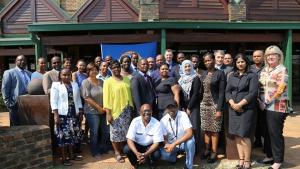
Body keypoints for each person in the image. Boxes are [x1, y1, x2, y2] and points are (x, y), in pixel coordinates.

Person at [226, 53, 258, 169]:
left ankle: (248, 160)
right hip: (233, 109)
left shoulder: (252, 75)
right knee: (237, 135)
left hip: (246, 109)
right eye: (238, 62)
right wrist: (233, 104)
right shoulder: (232, 76)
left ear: (246, 63)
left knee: (244, 135)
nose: (240, 64)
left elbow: (253, 93)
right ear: (235, 63)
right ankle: (241, 159)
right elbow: (227, 91)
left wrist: (240, 104)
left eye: (242, 62)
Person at [259, 45, 288, 169]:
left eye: (273, 54)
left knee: (275, 133)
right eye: (268, 55)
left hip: (277, 106)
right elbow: (260, 86)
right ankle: (270, 156)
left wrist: (266, 102)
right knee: (266, 132)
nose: (270, 56)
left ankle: (278, 161)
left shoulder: (282, 69)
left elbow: (281, 89)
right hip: (263, 105)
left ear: (279, 56)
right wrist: (260, 100)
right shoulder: (265, 69)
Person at [50, 68, 83, 166]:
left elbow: (78, 100)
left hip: (74, 114)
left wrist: (80, 112)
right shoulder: (56, 85)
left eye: (68, 74)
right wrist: (55, 115)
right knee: (63, 137)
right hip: (62, 115)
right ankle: (64, 158)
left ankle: (72, 155)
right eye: (64, 75)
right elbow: (53, 101)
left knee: (72, 135)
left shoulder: (75, 84)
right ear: (60, 75)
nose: (66, 76)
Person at [103, 60, 134, 163]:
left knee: (125, 133)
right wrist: (108, 113)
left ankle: (122, 150)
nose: (116, 69)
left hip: (127, 110)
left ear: (120, 67)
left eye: (117, 67)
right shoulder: (108, 81)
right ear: (110, 69)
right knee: (115, 133)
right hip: (115, 111)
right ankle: (117, 152)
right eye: (114, 67)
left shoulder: (126, 79)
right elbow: (106, 98)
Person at [200, 53, 226, 163]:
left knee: (215, 130)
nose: (207, 62)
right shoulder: (203, 73)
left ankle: (214, 152)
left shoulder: (220, 73)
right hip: (204, 105)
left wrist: (219, 109)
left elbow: (222, 93)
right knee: (206, 129)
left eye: (209, 60)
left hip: (215, 105)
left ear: (214, 60)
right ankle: (207, 150)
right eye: (205, 61)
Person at [81, 63, 109, 157]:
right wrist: (99, 108)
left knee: (105, 131)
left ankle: (104, 149)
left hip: (103, 111)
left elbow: (106, 95)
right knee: (94, 132)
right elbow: (87, 98)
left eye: (95, 69)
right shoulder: (86, 82)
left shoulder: (102, 81)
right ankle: (94, 151)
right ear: (88, 71)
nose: (94, 71)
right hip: (92, 112)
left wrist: (105, 107)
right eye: (91, 70)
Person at [123, 104, 163, 169]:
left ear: (152, 112)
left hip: (150, 146)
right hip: (138, 145)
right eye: (144, 111)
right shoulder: (135, 121)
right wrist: (136, 153)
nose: (147, 113)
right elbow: (129, 139)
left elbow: (156, 143)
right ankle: (134, 163)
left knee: (157, 154)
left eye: (148, 111)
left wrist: (146, 154)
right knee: (126, 149)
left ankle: (151, 163)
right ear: (140, 112)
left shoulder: (157, 123)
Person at [160, 103, 195, 169]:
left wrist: (174, 143)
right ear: (166, 109)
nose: (171, 110)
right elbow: (165, 138)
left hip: (183, 143)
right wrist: (167, 145)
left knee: (190, 143)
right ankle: (173, 158)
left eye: (173, 107)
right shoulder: (163, 120)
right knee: (164, 155)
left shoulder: (183, 114)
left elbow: (190, 133)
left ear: (177, 107)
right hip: (172, 145)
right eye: (169, 107)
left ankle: (189, 166)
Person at [178, 60, 202, 154]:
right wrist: (184, 108)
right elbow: (181, 95)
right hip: (184, 108)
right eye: (185, 66)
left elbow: (195, 94)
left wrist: (189, 108)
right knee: (186, 129)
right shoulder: (181, 79)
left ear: (192, 67)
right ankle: (187, 149)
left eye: (189, 66)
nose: (187, 68)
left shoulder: (196, 78)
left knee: (194, 127)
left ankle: (197, 150)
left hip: (193, 107)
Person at [2, 55, 31, 126]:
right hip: (15, 104)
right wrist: (8, 103)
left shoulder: (29, 73)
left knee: (27, 125)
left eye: (24, 60)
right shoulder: (9, 72)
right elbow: (5, 88)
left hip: (28, 104)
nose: (22, 61)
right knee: (15, 126)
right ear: (15, 62)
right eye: (20, 60)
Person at [250, 50, 265, 149]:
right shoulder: (249, 68)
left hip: (264, 99)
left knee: (264, 122)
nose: (256, 58)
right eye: (254, 56)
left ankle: (266, 144)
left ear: (263, 57)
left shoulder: (267, 68)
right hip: (252, 99)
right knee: (254, 121)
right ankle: (258, 141)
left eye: (259, 56)